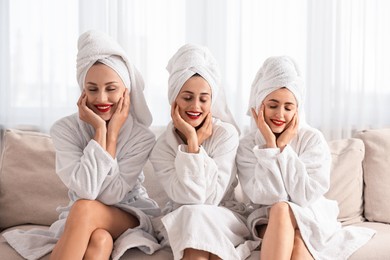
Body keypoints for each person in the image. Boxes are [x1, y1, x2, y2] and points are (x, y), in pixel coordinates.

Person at [3, 30, 161, 260]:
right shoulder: (64, 129)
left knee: (84, 207)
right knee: (100, 240)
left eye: (111, 88)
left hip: (130, 213)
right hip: (85, 217)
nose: (102, 99)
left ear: (126, 91)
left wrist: (112, 134)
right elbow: (86, 190)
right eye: (92, 89)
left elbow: (111, 195)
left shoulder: (141, 137)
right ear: (82, 90)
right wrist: (100, 132)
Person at [236, 56, 376, 260]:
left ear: (297, 109)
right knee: (283, 215)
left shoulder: (311, 139)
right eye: (273, 105)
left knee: (293, 226)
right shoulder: (248, 145)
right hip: (266, 218)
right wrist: (270, 147)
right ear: (259, 106)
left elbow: (305, 196)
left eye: (288, 107)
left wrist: (283, 148)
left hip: (310, 213)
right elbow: (268, 197)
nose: (280, 114)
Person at [149, 44, 258, 260]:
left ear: (212, 100)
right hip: (184, 216)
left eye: (203, 99)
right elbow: (191, 199)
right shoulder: (161, 147)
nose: (195, 106)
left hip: (223, 216)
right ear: (174, 100)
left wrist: (193, 147)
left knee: (196, 219)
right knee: (192, 216)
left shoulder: (226, 135)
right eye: (187, 97)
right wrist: (193, 143)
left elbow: (209, 200)